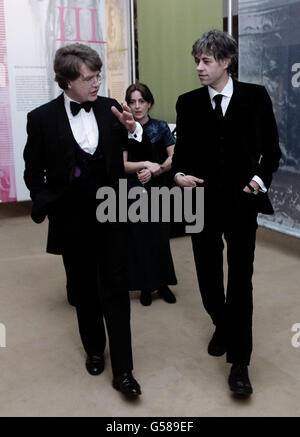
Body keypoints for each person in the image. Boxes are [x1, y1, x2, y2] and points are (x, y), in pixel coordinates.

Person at [23, 43, 144, 398]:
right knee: (84, 290)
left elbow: (136, 152)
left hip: (112, 216)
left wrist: (133, 130)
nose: (97, 83)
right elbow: (33, 172)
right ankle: (94, 348)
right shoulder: (41, 119)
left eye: (98, 76)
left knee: (116, 291)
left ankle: (124, 370)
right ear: (67, 81)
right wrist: (49, 202)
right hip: (72, 222)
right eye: (89, 78)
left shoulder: (110, 108)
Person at [172, 29, 281, 396]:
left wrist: (258, 180)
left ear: (226, 61)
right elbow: (182, 155)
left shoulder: (255, 97)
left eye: (206, 61)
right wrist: (178, 175)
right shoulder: (187, 103)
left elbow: (272, 152)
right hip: (200, 202)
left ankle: (240, 361)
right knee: (207, 278)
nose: (199, 68)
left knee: (240, 281)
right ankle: (221, 322)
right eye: (197, 61)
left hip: (240, 204)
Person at [123, 83, 177, 306]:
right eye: (133, 101)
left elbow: (174, 157)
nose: (137, 106)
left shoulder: (161, 127)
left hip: (158, 187)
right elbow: (122, 165)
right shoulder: (122, 129)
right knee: (139, 239)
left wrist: (158, 169)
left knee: (160, 238)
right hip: (133, 191)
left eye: (141, 101)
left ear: (149, 103)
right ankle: (145, 286)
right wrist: (143, 166)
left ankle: (163, 284)